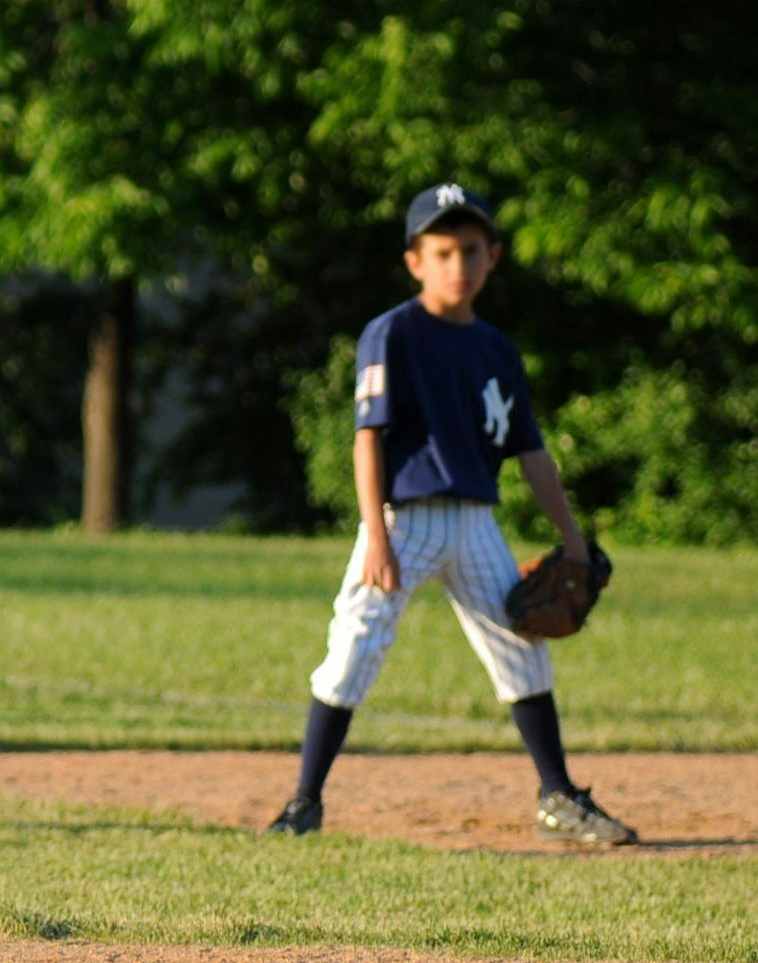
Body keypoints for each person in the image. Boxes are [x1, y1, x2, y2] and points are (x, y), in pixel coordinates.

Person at [265, 184, 637, 846]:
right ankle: (304, 804)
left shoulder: (497, 349)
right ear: (415, 262)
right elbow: (367, 438)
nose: (457, 265)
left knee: (523, 651)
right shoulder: (394, 333)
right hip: (404, 521)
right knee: (354, 651)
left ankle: (558, 797)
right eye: (442, 252)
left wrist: (572, 538)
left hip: (475, 524)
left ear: (492, 256)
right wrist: (376, 535)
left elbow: (531, 452)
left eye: (470, 250)